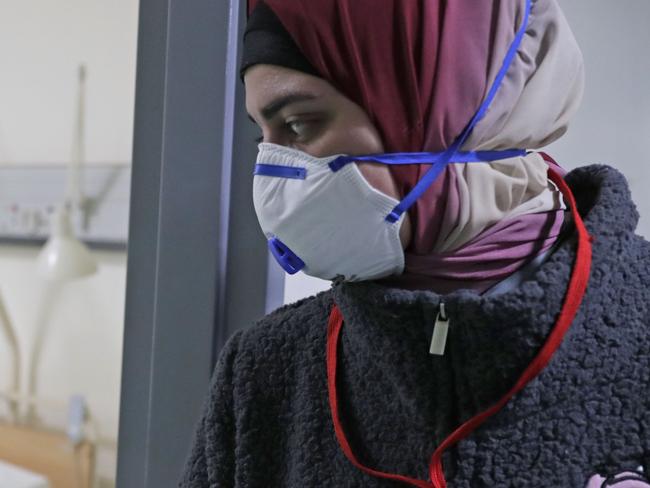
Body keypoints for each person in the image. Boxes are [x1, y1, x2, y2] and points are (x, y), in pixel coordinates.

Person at [180, 1, 650, 486]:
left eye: (300, 125)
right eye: (264, 135)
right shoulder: (263, 374)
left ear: (445, 105)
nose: (271, 173)